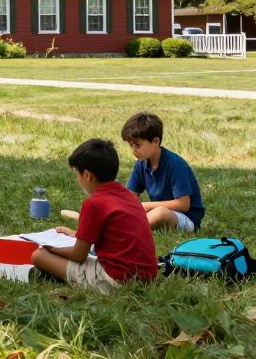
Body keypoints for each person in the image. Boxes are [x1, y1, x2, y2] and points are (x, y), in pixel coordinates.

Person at [30, 138, 157, 293]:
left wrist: (50, 247)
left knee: (38, 255)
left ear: (87, 175)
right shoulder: (128, 196)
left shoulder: (93, 204)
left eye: (76, 173)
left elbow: (79, 255)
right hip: (147, 277)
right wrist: (75, 235)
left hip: (116, 280)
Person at [121, 112, 205, 231]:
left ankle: (125, 231)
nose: (133, 150)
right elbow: (130, 198)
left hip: (186, 218)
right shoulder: (141, 163)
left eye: (137, 145)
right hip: (157, 213)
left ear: (155, 142)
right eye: (131, 146)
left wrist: (145, 206)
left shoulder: (175, 164)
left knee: (160, 213)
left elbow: (183, 205)